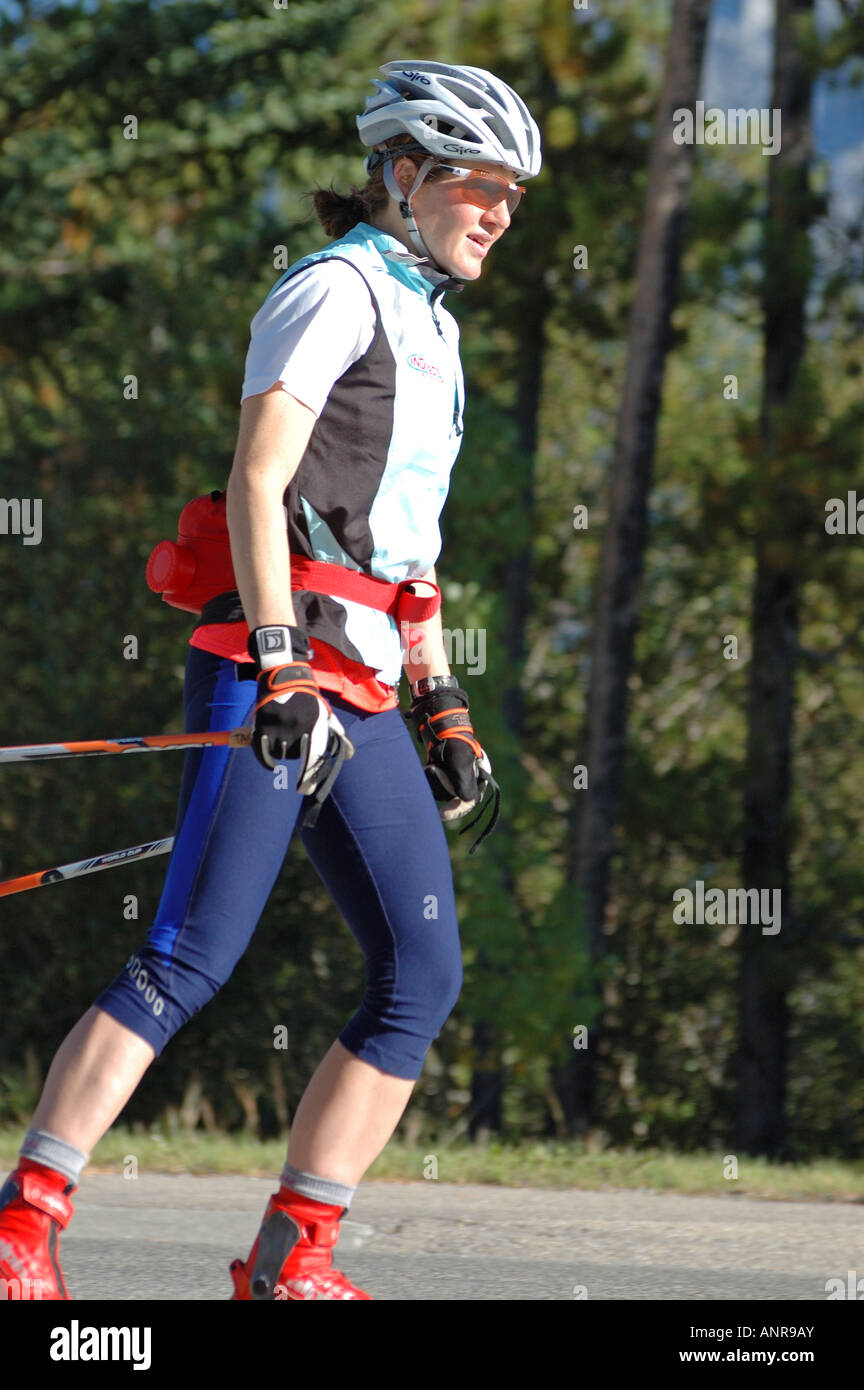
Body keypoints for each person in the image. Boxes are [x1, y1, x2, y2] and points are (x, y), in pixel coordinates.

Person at [0, 59, 541, 1302]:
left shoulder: (433, 324)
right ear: (403, 176)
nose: (501, 212)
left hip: (362, 683)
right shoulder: (332, 290)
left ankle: (294, 1252)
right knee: (190, 952)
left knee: (424, 974)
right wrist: (285, 661)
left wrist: (440, 698)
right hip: (274, 665)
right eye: (480, 185)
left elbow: (409, 549)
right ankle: (24, 1222)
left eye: (514, 193)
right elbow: (259, 482)